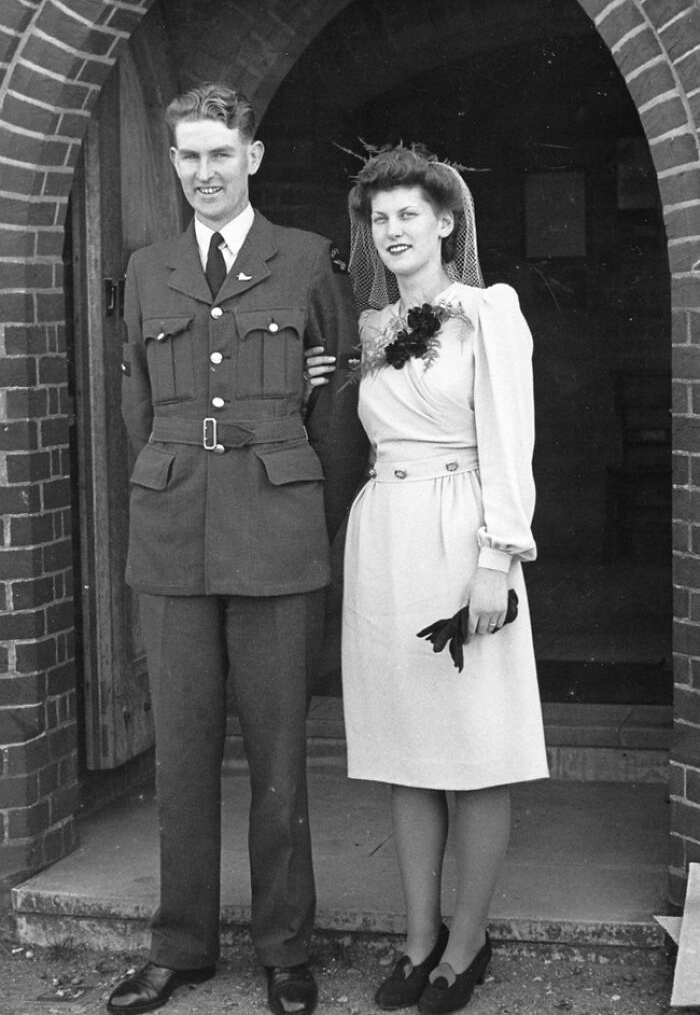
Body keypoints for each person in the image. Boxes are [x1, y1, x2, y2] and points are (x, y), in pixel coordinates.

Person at [108, 83, 367, 1015]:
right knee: (180, 755)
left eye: (221, 153)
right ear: (174, 163)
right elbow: (138, 406)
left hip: (278, 532)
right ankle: (180, 946)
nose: (205, 172)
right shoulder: (149, 268)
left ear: (252, 157)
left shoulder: (305, 260)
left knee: (278, 754)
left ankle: (286, 949)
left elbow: (339, 416)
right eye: (189, 155)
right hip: (173, 533)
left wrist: (304, 513)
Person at [310, 144, 549, 1014]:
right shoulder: (372, 327)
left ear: (447, 222)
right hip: (387, 535)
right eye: (379, 218)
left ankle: (468, 942)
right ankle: (418, 937)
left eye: (409, 213)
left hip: (463, 531)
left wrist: (497, 561)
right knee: (405, 750)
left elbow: (510, 440)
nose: (393, 230)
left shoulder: (488, 313)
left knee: (476, 750)